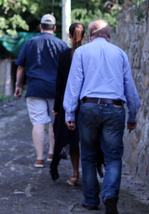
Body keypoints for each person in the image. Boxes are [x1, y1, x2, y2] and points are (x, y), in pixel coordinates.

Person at [63, 20, 141, 214]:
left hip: (88, 107)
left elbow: (74, 85)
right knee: (113, 157)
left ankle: (90, 200)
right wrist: (132, 114)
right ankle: (110, 196)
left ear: (89, 36)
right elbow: (129, 88)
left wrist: (70, 112)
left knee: (88, 156)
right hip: (114, 108)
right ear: (109, 36)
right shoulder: (120, 54)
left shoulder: (81, 52)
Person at [14, 14, 68, 168]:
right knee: (53, 121)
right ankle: (52, 153)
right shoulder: (61, 45)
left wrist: (18, 86)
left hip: (35, 88)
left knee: (38, 122)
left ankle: (39, 158)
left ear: (40, 27)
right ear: (55, 28)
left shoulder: (30, 43)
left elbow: (20, 66)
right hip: (55, 90)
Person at [50, 23, 85, 185]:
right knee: (86, 140)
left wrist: (56, 108)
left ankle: (75, 173)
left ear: (70, 36)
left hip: (67, 102)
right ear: (84, 36)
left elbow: (60, 84)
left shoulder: (64, 56)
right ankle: (89, 176)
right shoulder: (88, 54)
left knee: (71, 139)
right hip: (86, 102)